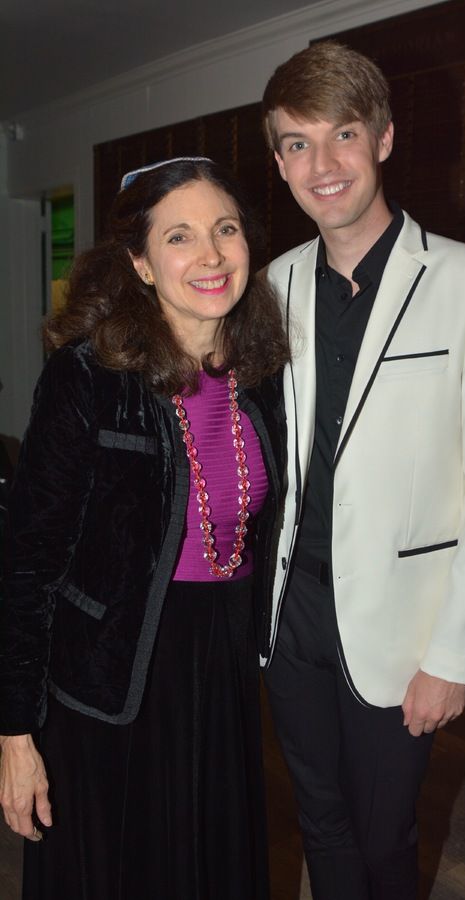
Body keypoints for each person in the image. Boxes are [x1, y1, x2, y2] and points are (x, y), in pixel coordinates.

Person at [260, 41, 465, 899]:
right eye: (297, 143)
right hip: (291, 616)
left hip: (405, 630)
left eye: (342, 135)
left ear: (382, 139)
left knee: (385, 838)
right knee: (321, 822)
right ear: (279, 161)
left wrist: (454, 654)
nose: (323, 163)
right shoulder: (268, 286)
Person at [0, 156, 289, 900]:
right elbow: (27, 563)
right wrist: (13, 734)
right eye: (181, 237)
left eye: (225, 230)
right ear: (141, 263)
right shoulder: (88, 377)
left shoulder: (263, 376)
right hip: (112, 680)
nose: (211, 255)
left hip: (220, 666)